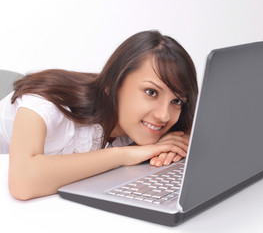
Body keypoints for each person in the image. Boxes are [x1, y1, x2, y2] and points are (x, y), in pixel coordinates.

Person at [0, 30, 198, 200]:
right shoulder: (46, 102)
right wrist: (123, 155)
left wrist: (178, 143)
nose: (164, 116)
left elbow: (193, 124)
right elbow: (22, 182)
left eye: (177, 101)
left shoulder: (138, 124)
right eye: (151, 92)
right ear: (112, 85)